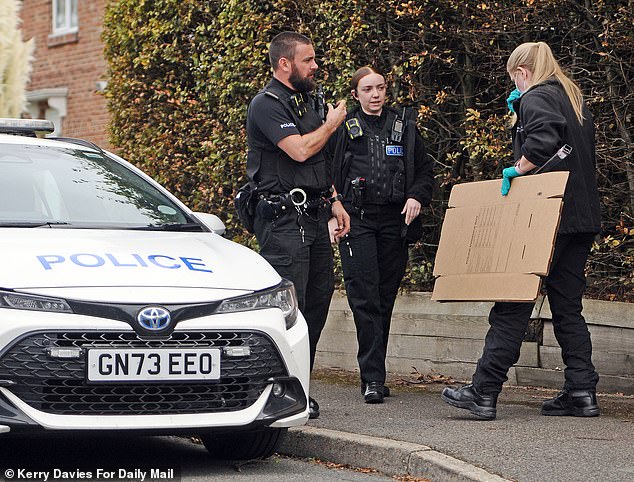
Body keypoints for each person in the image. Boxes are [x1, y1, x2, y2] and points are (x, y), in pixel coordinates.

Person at [441, 42, 602, 420]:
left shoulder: (538, 96)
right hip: (581, 217)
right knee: (567, 308)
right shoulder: (573, 98)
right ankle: (581, 391)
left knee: (512, 303)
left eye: (514, 76)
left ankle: (483, 391)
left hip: (548, 216)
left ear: (522, 73)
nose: (513, 83)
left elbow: (543, 140)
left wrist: (519, 167)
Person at [245, 31, 350, 419]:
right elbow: (301, 148)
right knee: (291, 308)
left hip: (315, 216)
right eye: (308, 60)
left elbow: (317, 162)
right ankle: (278, 393)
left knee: (318, 303)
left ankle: (301, 387)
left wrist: (336, 200)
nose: (316, 66)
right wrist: (332, 124)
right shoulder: (266, 104)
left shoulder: (308, 102)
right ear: (285, 64)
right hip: (283, 222)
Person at [329, 66, 434, 403]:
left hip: (393, 221)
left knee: (385, 297)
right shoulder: (344, 127)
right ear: (356, 94)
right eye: (368, 89)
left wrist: (417, 196)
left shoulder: (403, 125)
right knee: (364, 297)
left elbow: (424, 170)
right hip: (355, 220)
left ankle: (376, 374)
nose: (375, 95)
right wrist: (332, 210)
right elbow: (325, 173)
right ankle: (372, 378)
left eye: (381, 88)